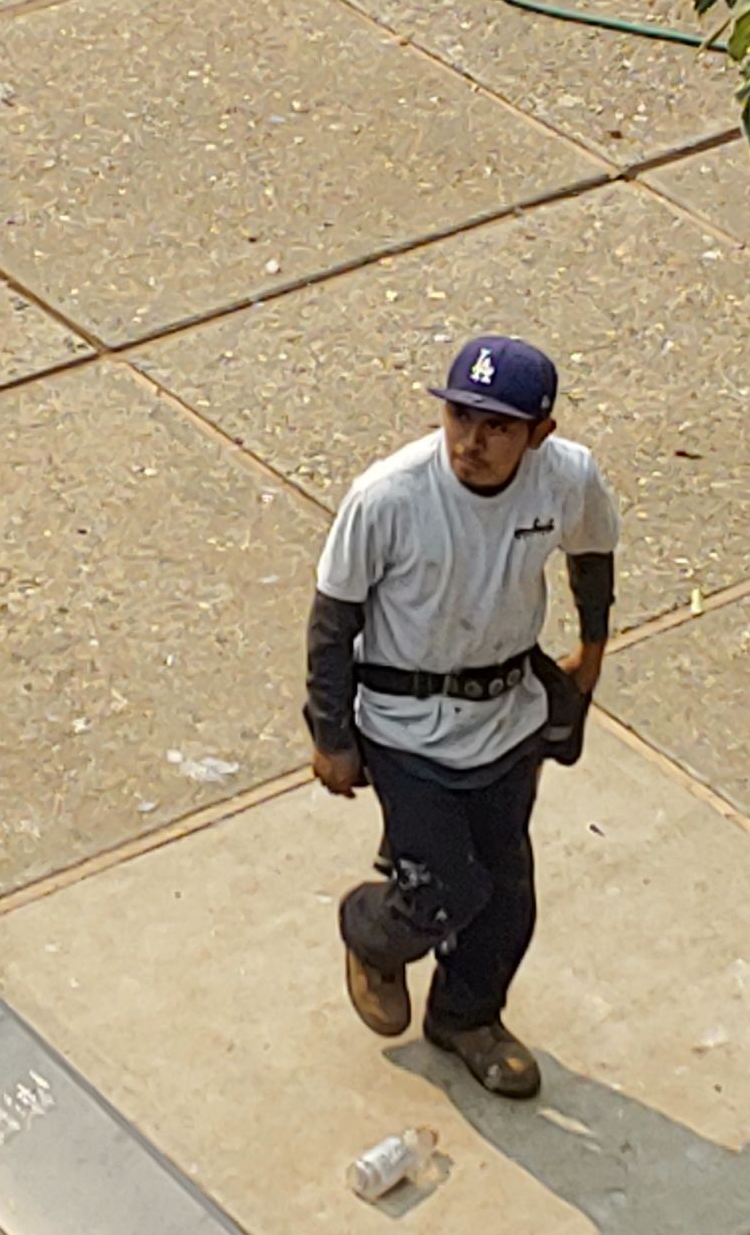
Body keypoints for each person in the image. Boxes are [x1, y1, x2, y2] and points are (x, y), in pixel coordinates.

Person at [301, 334, 620, 1100]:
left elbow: (594, 550)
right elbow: (332, 620)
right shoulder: (390, 497)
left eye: (498, 427)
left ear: (538, 434)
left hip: (508, 719)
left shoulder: (565, 479)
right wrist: (332, 736)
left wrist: (593, 649)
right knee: (445, 887)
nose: (471, 442)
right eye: (459, 417)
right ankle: (371, 930)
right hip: (405, 725)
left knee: (506, 892)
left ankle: (467, 1018)